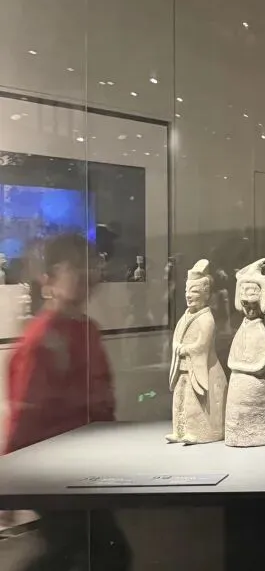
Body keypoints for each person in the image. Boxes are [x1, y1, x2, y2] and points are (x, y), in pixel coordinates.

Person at [3, 233, 130, 570]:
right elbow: (24, 414)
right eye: (75, 266)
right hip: (55, 471)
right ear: (50, 278)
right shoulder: (43, 338)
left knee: (90, 551)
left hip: (84, 467)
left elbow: (100, 401)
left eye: (91, 264)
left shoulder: (86, 330)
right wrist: (8, 479)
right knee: (94, 552)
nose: (88, 274)